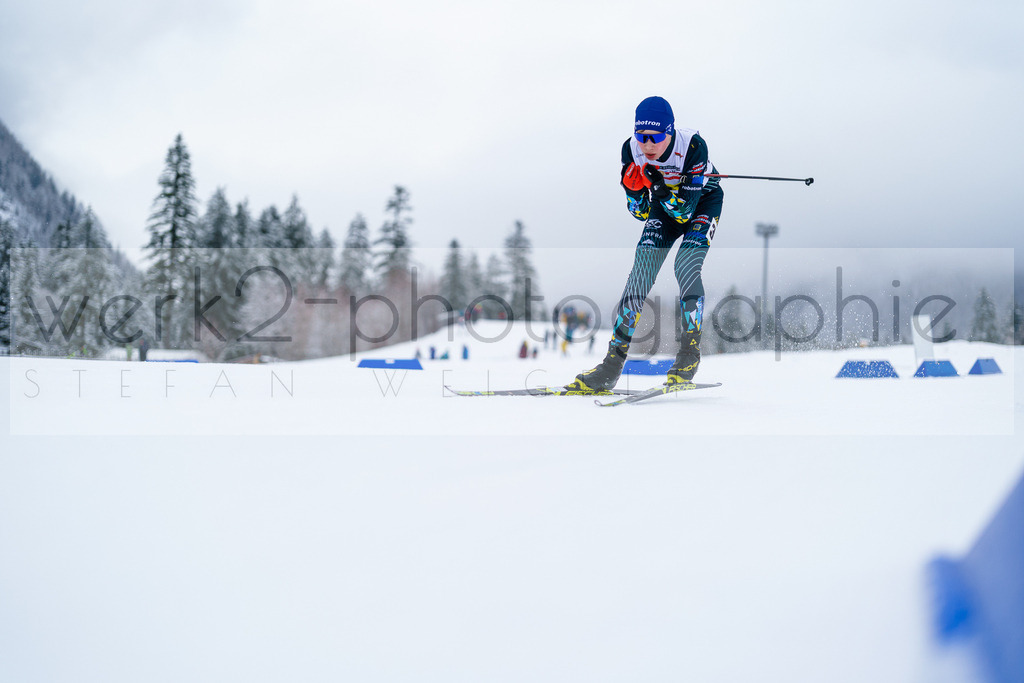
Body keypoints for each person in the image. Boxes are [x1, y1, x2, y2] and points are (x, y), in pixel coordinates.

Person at [570, 96, 724, 391]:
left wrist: (656, 185)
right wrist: (633, 189)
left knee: (685, 265)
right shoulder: (630, 149)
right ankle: (611, 366)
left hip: (702, 202)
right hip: (661, 206)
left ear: (671, 132)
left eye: (656, 137)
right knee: (641, 272)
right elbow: (640, 213)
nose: (648, 144)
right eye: (642, 136)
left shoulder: (692, 146)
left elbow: (684, 211)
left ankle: (689, 357)